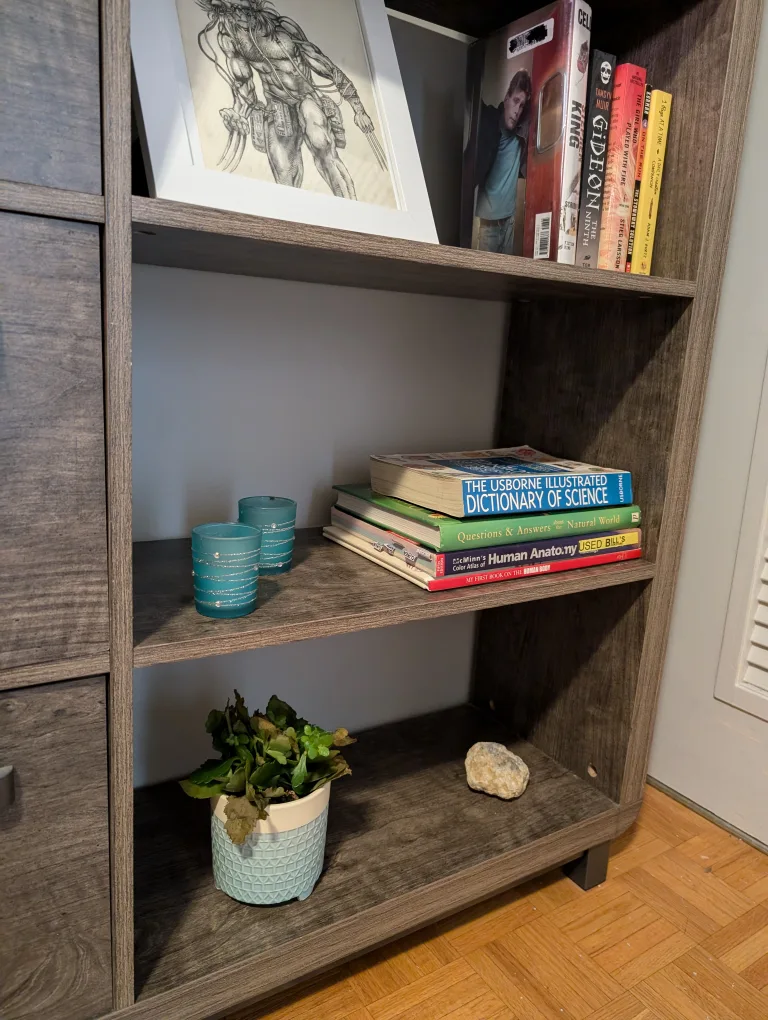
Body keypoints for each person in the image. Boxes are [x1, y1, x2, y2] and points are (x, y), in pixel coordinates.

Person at [474, 69, 532, 255]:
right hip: (488, 226)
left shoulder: (520, 134)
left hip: (509, 224)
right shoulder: (490, 124)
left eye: (522, 105)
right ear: (506, 98)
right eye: (515, 101)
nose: (517, 110)